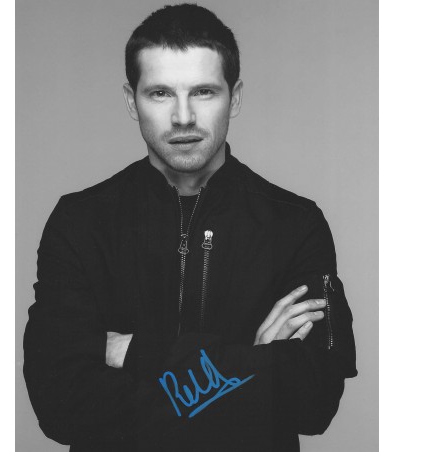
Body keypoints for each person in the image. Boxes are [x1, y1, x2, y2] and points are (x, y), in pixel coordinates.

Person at [23, 4, 357, 452]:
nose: (183, 116)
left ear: (234, 98)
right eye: (160, 93)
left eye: (203, 92)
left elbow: (313, 402)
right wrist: (253, 361)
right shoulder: (80, 221)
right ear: (132, 100)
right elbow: (59, 406)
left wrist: (130, 353)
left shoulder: (296, 223)